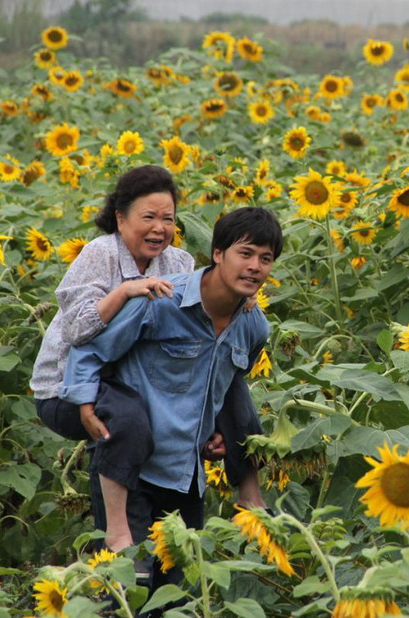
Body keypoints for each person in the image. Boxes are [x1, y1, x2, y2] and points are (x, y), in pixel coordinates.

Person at [30, 165, 263, 553]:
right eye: (148, 217)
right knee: (127, 418)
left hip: (133, 381)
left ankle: (250, 491)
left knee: (227, 375)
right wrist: (126, 292)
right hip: (69, 387)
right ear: (120, 218)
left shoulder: (178, 263)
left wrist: (238, 293)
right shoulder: (100, 254)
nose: (159, 228)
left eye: (168, 219)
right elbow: (77, 331)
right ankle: (119, 534)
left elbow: (193, 328)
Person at [58, 206, 282, 591]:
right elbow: (91, 349)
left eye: (265, 259)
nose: (255, 267)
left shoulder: (254, 326)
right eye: (245, 254)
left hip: (185, 476)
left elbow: (225, 385)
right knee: (127, 591)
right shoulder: (162, 301)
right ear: (217, 254)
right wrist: (84, 404)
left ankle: (251, 493)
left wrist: (216, 430)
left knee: (177, 598)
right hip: (132, 470)